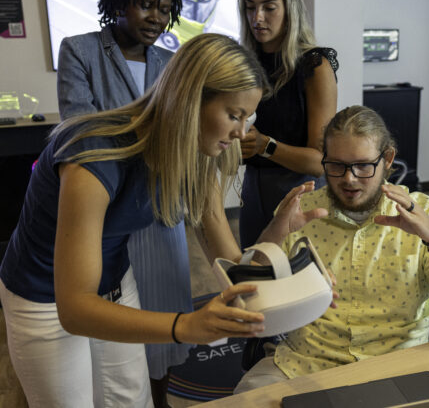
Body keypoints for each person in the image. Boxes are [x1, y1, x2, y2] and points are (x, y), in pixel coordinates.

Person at [0, 33, 270, 408]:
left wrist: (282, 272)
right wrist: (185, 326)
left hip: (113, 279)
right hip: (43, 295)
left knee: (132, 400)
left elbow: (222, 246)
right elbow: (74, 308)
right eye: (234, 115)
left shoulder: (197, 150)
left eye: (247, 117)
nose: (243, 132)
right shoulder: (94, 156)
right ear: (192, 100)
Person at [234, 105, 429, 392]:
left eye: (362, 165)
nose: (348, 179)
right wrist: (274, 233)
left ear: (387, 159)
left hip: (400, 368)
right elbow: (242, 306)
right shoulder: (300, 211)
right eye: (336, 165)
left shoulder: (427, 213)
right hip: (302, 366)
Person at [56, 0, 187, 406]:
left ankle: (161, 398)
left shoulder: (172, 63)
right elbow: (81, 129)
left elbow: (182, 133)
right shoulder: (80, 50)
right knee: (117, 326)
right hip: (107, 214)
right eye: (146, 4)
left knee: (168, 321)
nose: (156, 17)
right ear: (118, 2)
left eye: (165, 8)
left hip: (161, 208)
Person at [237, 0, 339, 248]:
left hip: (301, 192)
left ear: (290, 8)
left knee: (302, 282)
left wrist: (263, 145)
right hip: (252, 189)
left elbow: (319, 162)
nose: (257, 17)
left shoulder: (314, 66)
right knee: (257, 276)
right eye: (250, 7)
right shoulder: (244, 63)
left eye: (269, 7)